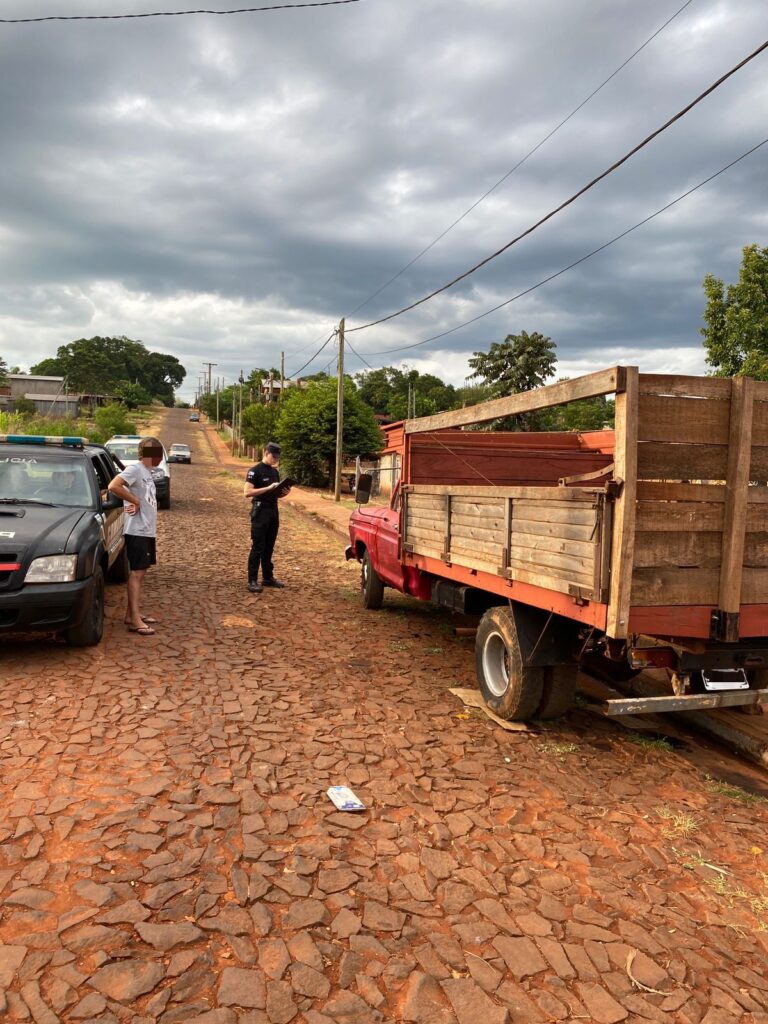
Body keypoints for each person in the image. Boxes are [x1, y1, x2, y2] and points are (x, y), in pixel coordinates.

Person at [108, 437, 162, 635]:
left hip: (146, 529)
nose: (159, 458)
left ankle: (132, 614)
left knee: (141, 572)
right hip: (137, 529)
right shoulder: (135, 469)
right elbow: (114, 485)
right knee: (137, 573)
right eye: (157, 454)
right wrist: (134, 501)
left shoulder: (147, 472)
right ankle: (135, 620)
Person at [244, 440, 291, 593]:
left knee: (269, 547)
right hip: (260, 512)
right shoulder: (254, 471)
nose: (275, 460)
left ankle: (267, 577)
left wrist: (284, 492)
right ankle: (252, 580)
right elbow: (247, 492)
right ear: (266, 453)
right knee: (258, 546)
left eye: (277, 458)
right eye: (273, 457)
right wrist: (267, 488)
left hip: (273, 511)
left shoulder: (275, 472)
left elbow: (276, 493)